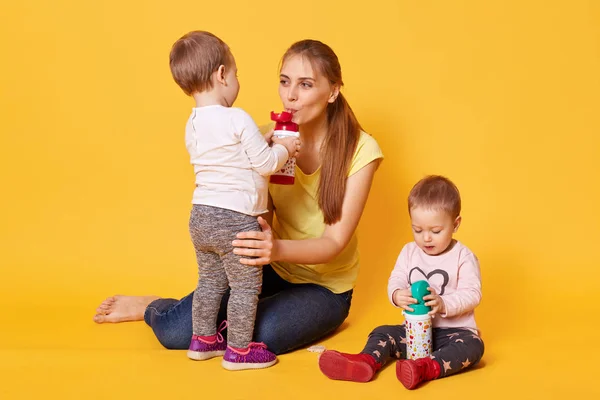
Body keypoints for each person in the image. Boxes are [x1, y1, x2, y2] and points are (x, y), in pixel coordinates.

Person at [94, 39, 384, 357]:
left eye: (306, 84)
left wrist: (275, 249)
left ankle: (272, 313)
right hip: (269, 266)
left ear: (332, 91)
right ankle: (153, 306)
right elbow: (256, 215)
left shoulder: (361, 149)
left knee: (259, 334)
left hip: (325, 288)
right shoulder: (263, 143)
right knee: (177, 332)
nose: (291, 95)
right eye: (285, 82)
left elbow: (334, 243)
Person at [169, 31, 301, 370]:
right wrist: (285, 148)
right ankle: (240, 351)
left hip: (200, 216)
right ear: (222, 74)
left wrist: (262, 137)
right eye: (236, 74)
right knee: (245, 287)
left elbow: (230, 155)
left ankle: (202, 340)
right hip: (235, 218)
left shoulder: (192, 124)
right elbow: (265, 163)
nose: (237, 80)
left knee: (210, 282)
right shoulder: (237, 117)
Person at [318, 175, 484, 389]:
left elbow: (473, 293)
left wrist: (443, 303)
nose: (426, 238)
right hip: (415, 334)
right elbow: (396, 278)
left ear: (455, 224)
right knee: (382, 332)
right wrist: (396, 294)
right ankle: (365, 362)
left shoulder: (463, 256)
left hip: (453, 334)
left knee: (474, 345)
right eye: (418, 230)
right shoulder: (409, 252)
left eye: (435, 231)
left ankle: (424, 368)